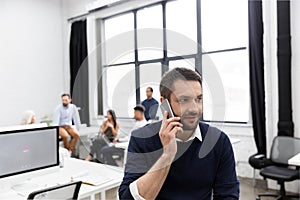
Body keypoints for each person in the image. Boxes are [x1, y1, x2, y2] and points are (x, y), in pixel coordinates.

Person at [119, 68, 239, 199]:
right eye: (183, 100)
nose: (194, 109)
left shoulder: (218, 141)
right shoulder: (141, 138)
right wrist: (167, 156)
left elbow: (228, 195)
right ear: (164, 103)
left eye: (198, 99)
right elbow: (127, 197)